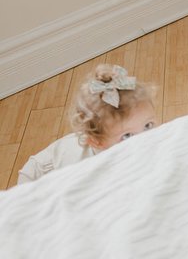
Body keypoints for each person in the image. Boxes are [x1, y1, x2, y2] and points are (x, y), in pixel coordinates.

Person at [17, 64, 157, 185]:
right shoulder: (81, 165)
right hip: (39, 176)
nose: (144, 138)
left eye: (148, 125)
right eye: (127, 136)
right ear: (97, 142)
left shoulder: (142, 141)